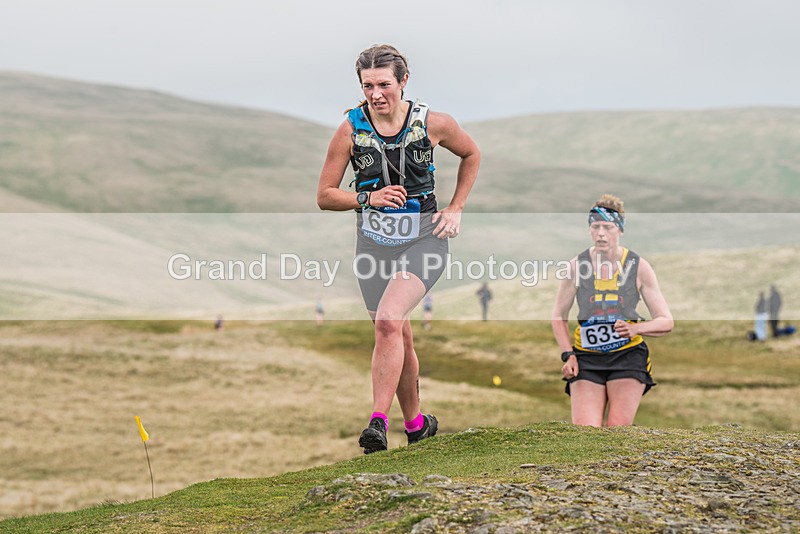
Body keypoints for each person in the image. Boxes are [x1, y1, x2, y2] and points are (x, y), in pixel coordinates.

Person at [317, 44, 480, 453]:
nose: (376, 94)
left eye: (384, 84)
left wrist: (456, 208)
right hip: (373, 245)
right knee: (399, 336)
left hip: (425, 239)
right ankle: (416, 425)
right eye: (367, 85)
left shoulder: (434, 123)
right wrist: (366, 199)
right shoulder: (351, 130)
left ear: (403, 82)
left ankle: (377, 421)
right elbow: (324, 195)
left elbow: (472, 154)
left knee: (388, 321)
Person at [551, 194, 673, 427]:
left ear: (620, 230)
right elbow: (558, 315)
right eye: (595, 227)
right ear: (589, 230)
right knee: (586, 433)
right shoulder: (576, 266)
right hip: (587, 357)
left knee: (616, 432)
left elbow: (666, 321)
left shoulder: (638, 267)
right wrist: (568, 355)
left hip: (627, 357)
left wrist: (636, 328)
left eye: (607, 227)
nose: (601, 233)